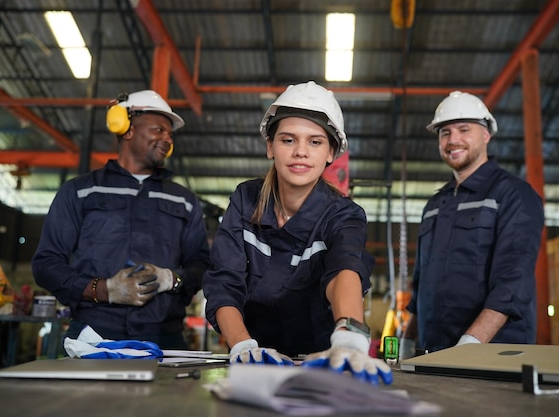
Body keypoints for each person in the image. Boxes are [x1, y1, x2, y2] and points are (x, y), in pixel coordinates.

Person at [203, 81, 391, 385]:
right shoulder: (245, 200)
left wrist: (349, 336)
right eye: (288, 140)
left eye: (315, 142)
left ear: (331, 152)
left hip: (316, 362)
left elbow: (346, 269)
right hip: (252, 356)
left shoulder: (344, 214)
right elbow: (225, 281)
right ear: (270, 146)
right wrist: (241, 344)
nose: (301, 152)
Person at [32, 90, 211, 349]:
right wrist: (103, 289)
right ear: (125, 128)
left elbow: (202, 265)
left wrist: (171, 279)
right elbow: (46, 264)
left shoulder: (184, 201)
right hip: (93, 336)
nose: (167, 139)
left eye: (170, 134)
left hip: (165, 338)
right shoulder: (81, 192)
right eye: (158, 130)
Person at [400, 91, 545, 359]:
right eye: (445, 132)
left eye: (464, 129)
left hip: (494, 356)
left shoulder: (513, 195)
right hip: (433, 353)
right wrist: (407, 345)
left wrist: (470, 345)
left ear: (486, 134)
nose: (453, 139)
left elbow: (513, 281)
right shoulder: (435, 205)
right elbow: (422, 288)